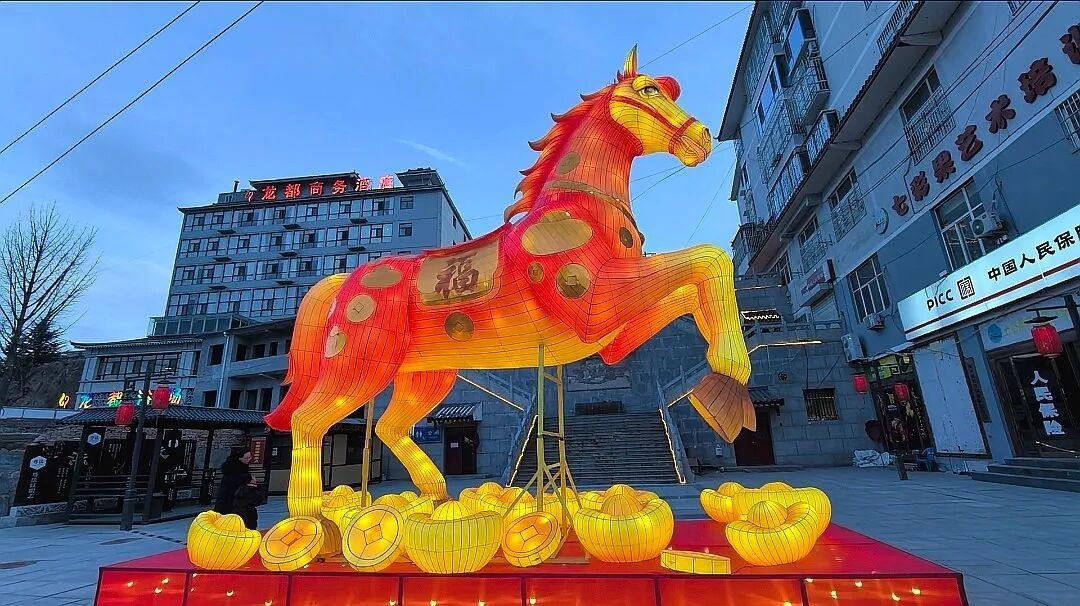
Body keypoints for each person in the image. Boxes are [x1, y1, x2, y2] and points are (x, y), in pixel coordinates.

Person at [213, 448, 252, 515]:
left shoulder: (243, 467)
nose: (249, 459)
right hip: (229, 501)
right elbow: (236, 484)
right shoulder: (232, 470)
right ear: (239, 458)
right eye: (247, 458)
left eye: (250, 457)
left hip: (236, 502)